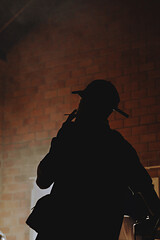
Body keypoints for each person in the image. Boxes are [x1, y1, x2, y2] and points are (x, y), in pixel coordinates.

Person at [36, 79, 160, 240]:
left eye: (83, 102)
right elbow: (145, 187)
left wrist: (60, 141)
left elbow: (43, 180)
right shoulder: (118, 145)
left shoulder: (70, 140)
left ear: (87, 105)